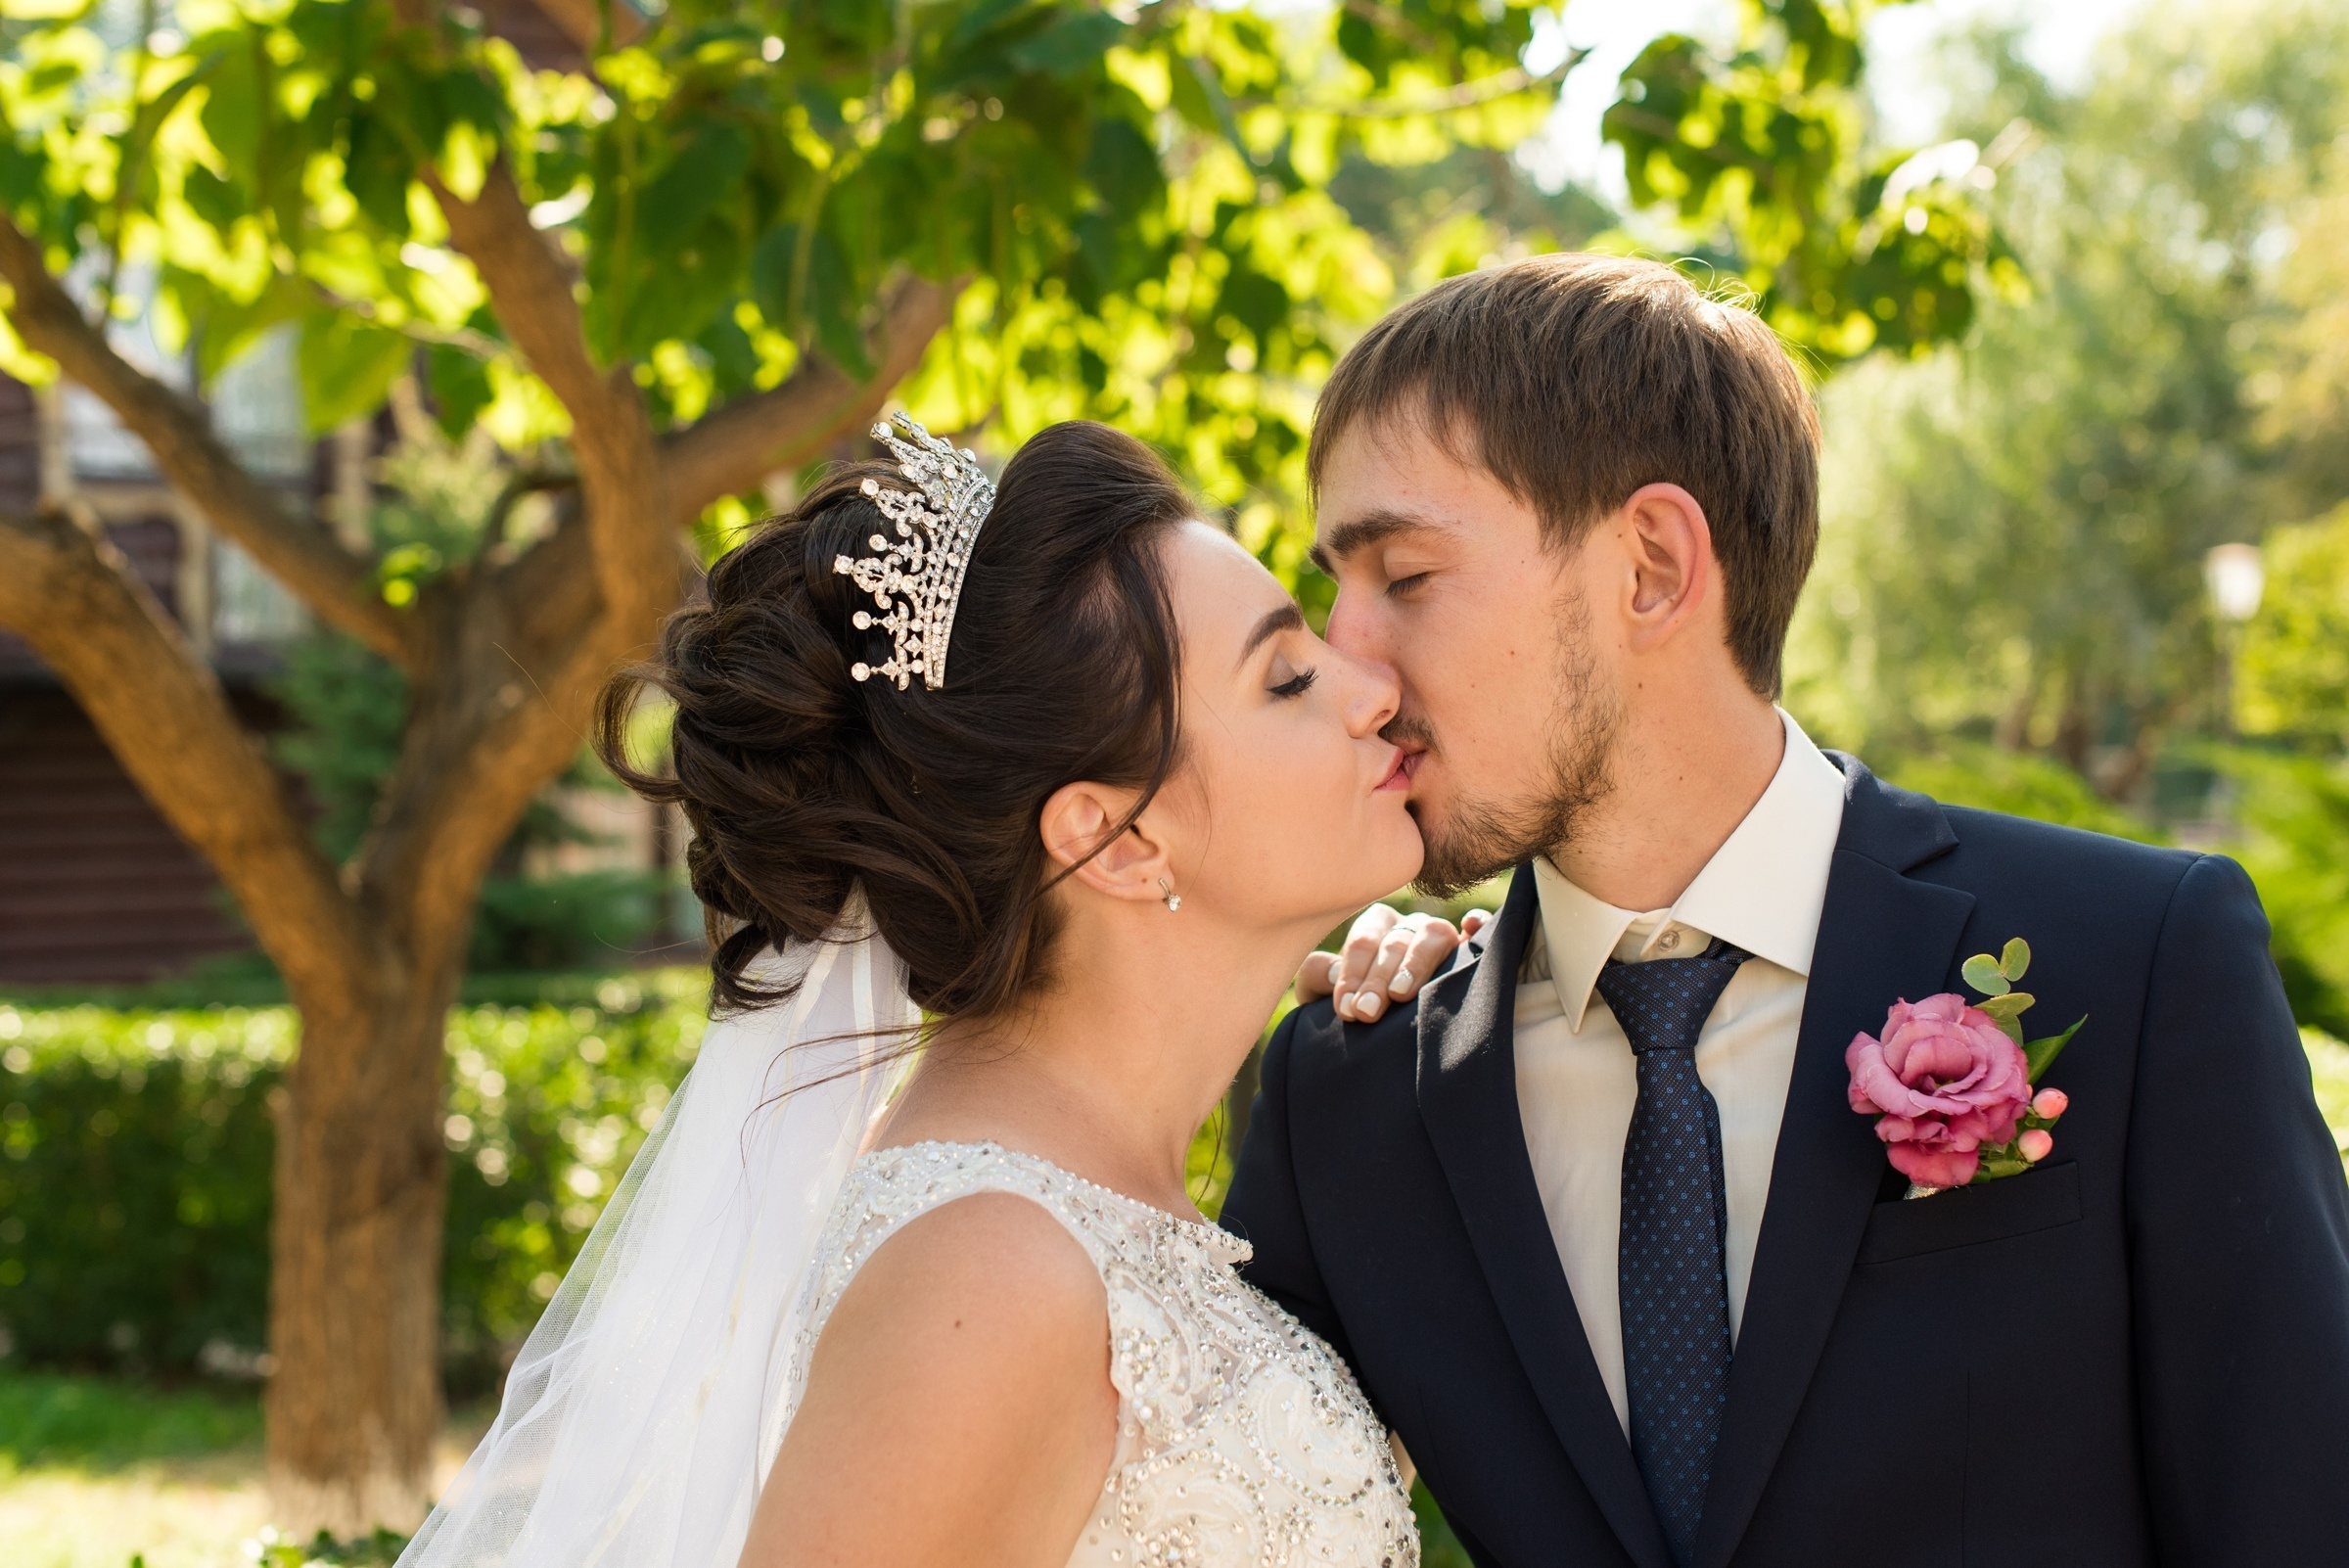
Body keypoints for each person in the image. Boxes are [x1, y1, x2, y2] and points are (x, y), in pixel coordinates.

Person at [1221, 253, 2349, 1568]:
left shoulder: (2138, 967)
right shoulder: (1348, 1096)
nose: (1346, 661)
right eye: (1335, 587)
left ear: (1652, 565)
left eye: (1405, 576)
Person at [394, 418, 1423, 1568]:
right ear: (1117, 840)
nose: (1374, 686)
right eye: (1287, 679)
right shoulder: (989, 1273)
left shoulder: (1073, 1211)